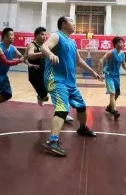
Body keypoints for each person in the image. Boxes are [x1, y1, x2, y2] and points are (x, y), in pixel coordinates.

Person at [41, 16, 101, 157]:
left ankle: (82, 128)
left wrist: (92, 71)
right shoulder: (57, 36)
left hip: (70, 82)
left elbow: (78, 60)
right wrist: (50, 54)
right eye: (71, 21)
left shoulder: (72, 42)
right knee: (62, 108)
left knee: (81, 107)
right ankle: (52, 141)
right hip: (56, 80)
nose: (74, 24)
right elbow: (44, 47)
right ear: (63, 24)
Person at [26, 26, 74, 123]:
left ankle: (63, 114)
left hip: (46, 73)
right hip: (35, 75)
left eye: (45, 35)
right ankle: (40, 96)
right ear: (36, 35)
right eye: (42, 34)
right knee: (45, 97)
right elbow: (29, 55)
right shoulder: (32, 45)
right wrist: (39, 56)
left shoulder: (47, 45)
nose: (44, 36)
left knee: (57, 92)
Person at [100, 37, 126, 120]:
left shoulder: (123, 54)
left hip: (117, 76)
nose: (122, 44)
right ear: (115, 44)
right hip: (109, 75)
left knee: (117, 94)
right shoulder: (111, 53)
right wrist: (101, 73)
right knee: (112, 93)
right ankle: (114, 111)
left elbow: (123, 65)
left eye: (122, 42)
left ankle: (109, 107)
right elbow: (101, 60)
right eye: (120, 42)